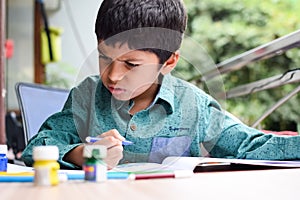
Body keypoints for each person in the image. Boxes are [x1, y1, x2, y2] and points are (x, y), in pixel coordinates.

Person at [22, 0, 300, 169]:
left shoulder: (194, 105)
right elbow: (38, 146)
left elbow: (249, 145)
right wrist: (82, 154)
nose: (113, 75)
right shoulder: (87, 95)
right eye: (104, 57)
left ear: (169, 62)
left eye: (131, 64)